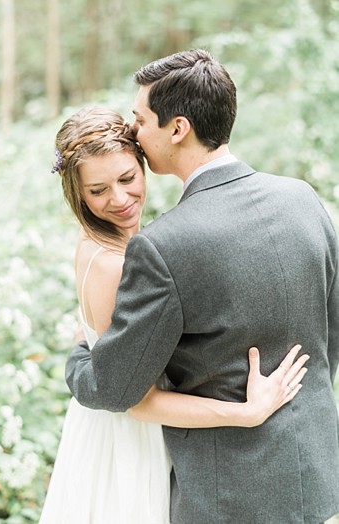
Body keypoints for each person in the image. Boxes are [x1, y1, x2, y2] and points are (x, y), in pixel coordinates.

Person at [66, 49, 339, 523]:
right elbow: (330, 334)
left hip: (225, 497)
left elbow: (114, 390)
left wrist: (77, 357)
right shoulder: (303, 198)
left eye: (140, 119)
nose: (134, 131)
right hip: (314, 476)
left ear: (177, 129)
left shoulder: (162, 246)